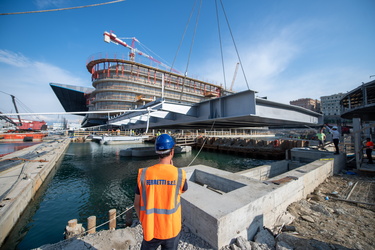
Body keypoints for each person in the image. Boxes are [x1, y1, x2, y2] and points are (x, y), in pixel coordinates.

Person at [134, 134, 188, 250]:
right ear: (172, 152)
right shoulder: (179, 174)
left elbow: (136, 204)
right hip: (171, 229)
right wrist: (172, 169)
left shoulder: (143, 174)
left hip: (150, 228)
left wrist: (143, 221)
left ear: (157, 151)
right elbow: (182, 190)